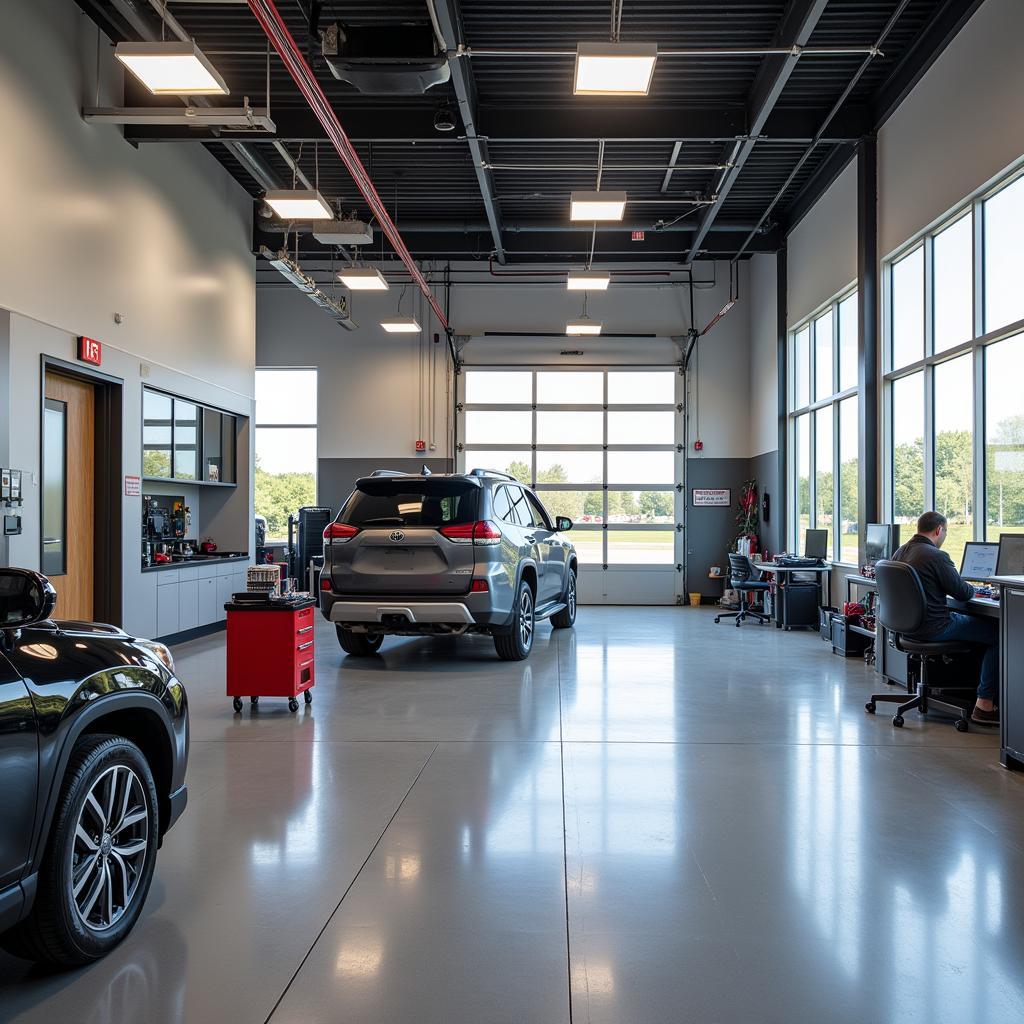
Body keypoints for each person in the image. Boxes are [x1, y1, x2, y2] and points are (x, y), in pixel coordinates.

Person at [892, 511, 999, 725]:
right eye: (945, 532)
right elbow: (963, 593)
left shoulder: (900, 552)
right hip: (935, 627)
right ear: (939, 530)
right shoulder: (935, 555)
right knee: (999, 634)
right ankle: (984, 705)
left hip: (906, 628)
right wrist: (978, 589)